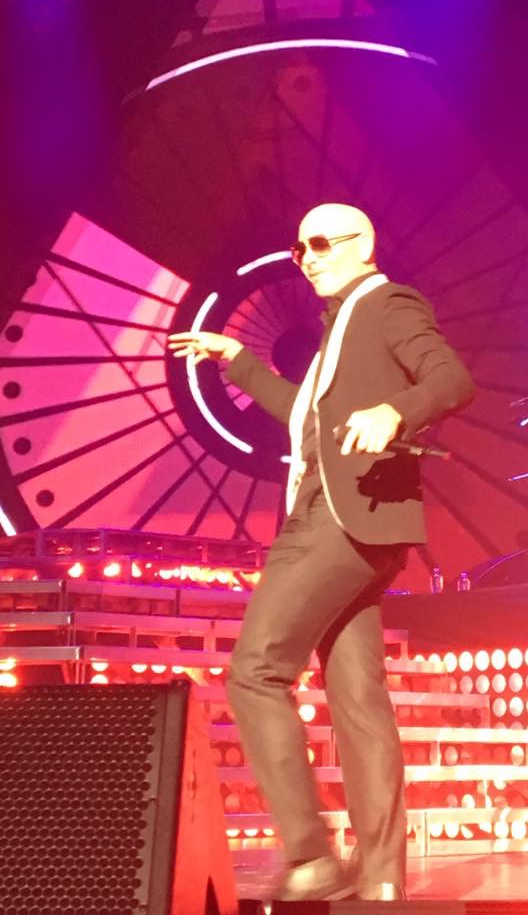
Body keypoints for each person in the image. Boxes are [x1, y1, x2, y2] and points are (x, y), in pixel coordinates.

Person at [168, 203, 475, 902]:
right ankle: (383, 877)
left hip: (335, 520)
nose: (308, 257)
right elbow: (306, 417)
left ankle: (310, 856)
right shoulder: (341, 328)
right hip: (357, 522)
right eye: (300, 248)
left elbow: (452, 378)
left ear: (363, 245)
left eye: (322, 243)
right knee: (358, 700)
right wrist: (238, 362)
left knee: (255, 672)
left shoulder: (387, 303)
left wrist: (395, 411)